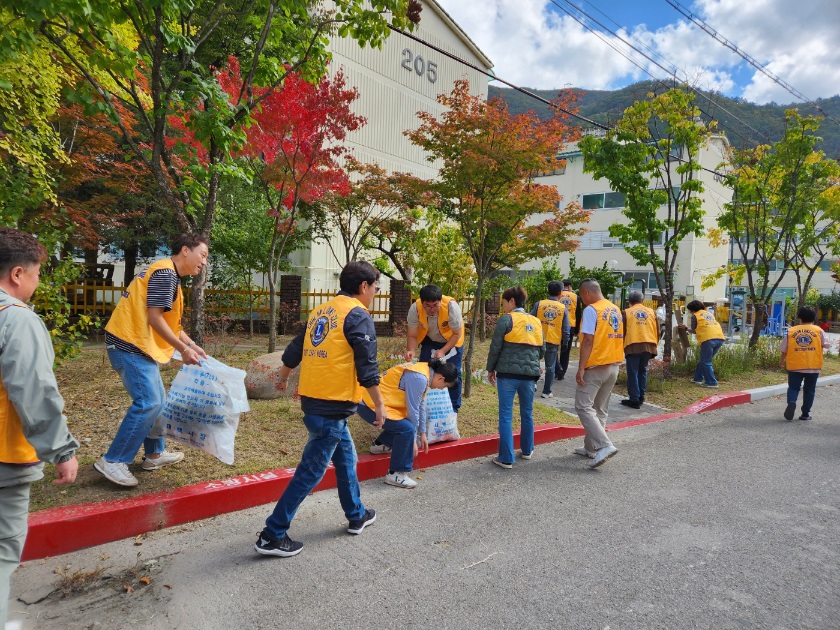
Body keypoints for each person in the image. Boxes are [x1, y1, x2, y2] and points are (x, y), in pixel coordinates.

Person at [255, 261, 385, 558]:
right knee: (310, 473)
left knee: (347, 459)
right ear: (364, 286)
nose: (375, 293)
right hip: (331, 407)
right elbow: (367, 366)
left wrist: (283, 376)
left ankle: (356, 514)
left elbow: (296, 347)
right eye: (376, 288)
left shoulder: (322, 311)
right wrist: (379, 404)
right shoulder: (358, 315)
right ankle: (272, 535)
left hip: (317, 402)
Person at [0, 228, 79, 626]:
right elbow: (33, 391)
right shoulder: (15, 319)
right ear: (17, 274)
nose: (37, 283)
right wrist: (61, 450)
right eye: (36, 274)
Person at [97, 233, 209, 487]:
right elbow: (155, 319)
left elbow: (171, 324)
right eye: (202, 255)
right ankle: (113, 460)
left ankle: (154, 454)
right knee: (149, 402)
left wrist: (192, 345)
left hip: (134, 344)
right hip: (129, 344)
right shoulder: (166, 274)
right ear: (185, 250)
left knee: (158, 402)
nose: (204, 262)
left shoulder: (169, 274)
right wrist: (183, 350)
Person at [358, 358, 458, 488]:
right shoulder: (420, 378)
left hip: (375, 403)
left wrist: (422, 433)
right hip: (369, 405)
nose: (440, 389)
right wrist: (413, 441)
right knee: (407, 429)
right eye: (444, 386)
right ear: (440, 378)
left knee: (405, 424)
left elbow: (420, 405)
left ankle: (381, 445)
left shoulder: (424, 371)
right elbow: (413, 410)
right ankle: (396, 474)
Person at [486, 286, 545, 469]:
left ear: (512, 301)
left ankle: (506, 458)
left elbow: (495, 347)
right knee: (527, 412)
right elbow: (542, 350)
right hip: (530, 376)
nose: (503, 306)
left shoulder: (506, 319)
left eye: (504, 302)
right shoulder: (536, 322)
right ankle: (527, 450)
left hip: (507, 375)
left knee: (506, 414)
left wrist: (490, 369)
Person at [573, 279, 624, 469]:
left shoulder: (591, 310)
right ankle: (591, 448)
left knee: (583, 406)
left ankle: (604, 445)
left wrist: (581, 367)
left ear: (586, 293)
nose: (582, 299)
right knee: (600, 409)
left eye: (581, 295)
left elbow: (588, 340)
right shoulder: (615, 309)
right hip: (613, 366)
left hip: (596, 366)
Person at [405, 285, 464, 413]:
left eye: (435, 305)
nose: (431, 309)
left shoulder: (451, 307)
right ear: (422, 302)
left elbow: (457, 334)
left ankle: (453, 408)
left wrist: (443, 351)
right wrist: (411, 350)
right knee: (424, 372)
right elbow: (412, 335)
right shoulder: (415, 308)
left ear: (440, 301)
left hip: (452, 341)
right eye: (427, 306)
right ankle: (424, 405)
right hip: (430, 340)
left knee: (454, 373)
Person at [780, 306, 827, 421]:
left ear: (799, 317)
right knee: (809, 390)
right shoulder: (818, 330)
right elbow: (826, 344)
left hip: (795, 365)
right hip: (813, 366)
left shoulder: (791, 331)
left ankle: (792, 402)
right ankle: (805, 414)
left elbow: (784, 349)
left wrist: (781, 361)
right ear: (814, 317)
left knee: (793, 387)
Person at [531, 281, 570, 398]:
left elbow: (531, 319)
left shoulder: (539, 304)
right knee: (550, 367)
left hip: (538, 339)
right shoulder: (563, 308)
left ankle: (533, 383)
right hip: (553, 341)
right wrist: (566, 342)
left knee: (534, 362)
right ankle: (546, 391)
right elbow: (566, 329)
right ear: (560, 293)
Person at [621, 291, 659, 409]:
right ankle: (641, 396)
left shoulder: (626, 312)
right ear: (642, 300)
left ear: (629, 301)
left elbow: (622, 331)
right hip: (649, 343)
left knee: (633, 372)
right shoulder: (652, 312)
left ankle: (634, 399)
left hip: (633, 345)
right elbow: (657, 330)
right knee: (643, 370)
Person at [679, 300, 725, 389]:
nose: (690, 312)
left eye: (690, 310)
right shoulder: (708, 314)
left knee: (706, 361)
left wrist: (686, 328)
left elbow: (694, 330)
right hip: (719, 338)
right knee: (704, 360)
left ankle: (712, 382)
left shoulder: (695, 316)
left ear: (692, 310)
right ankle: (697, 378)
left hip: (708, 339)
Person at [556, 280, 579, 381]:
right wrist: (577, 329)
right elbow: (578, 314)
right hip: (570, 326)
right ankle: (562, 372)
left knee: (554, 349)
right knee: (566, 350)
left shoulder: (557, 295)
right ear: (569, 287)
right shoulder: (576, 297)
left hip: (557, 325)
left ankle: (556, 369)